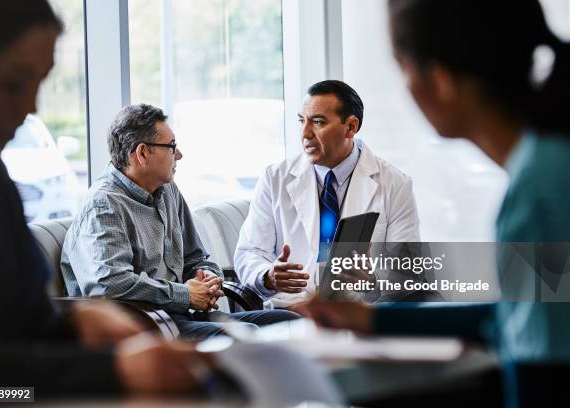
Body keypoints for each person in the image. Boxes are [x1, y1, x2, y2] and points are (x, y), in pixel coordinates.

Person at [294, 0, 570, 406]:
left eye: (402, 68)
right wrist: (372, 318)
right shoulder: (549, 163)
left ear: (440, 81)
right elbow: (515, 317)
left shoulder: (536, 196)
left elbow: (545, 376)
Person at [0, 0, 214, 396]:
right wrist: (111, 371)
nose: (30, 108)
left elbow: (24, 323)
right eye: (13, 84)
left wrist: (72, 321)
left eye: (37, 84)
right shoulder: (101, 204)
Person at [61, 104, 299, 341]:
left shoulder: (167, 190)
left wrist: (206, 280)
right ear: (142, 153)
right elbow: (109, 284)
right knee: (246, 337)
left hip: (178, 318)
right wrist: (185, 294)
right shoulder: (104, 205)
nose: (179, 154)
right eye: (171, 147)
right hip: (142, 331)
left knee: (291, 323)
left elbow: (197, 257)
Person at [234, 80, 421, 308]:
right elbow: (249, 252)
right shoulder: (276, 178)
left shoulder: (395, 184)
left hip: (359, 314)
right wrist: (268, 276)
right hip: (292, 311)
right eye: (302, 121)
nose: (305, 133)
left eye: (318, 122)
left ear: (351, 127)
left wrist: (374, 281)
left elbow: (407, 270)